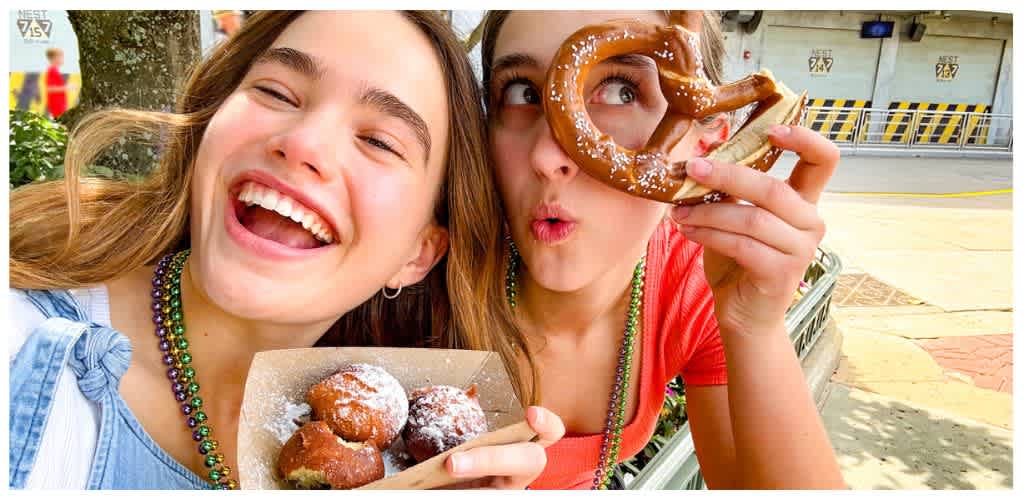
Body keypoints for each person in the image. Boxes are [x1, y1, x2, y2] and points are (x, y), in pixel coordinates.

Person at [9, 11, 562, 490]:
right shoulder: (25, 347)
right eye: (276, 93)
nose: (303, 143)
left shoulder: (386, 448)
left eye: (378, 141)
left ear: (418, 254)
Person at [476, 10, 846, 489]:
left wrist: (756, 328)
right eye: (522, 92)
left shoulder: (700, 281)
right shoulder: (418, 267)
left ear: (705, 140)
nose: (547, 158)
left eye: (620, 92)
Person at [44, 47, 68, 119]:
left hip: (59, 107)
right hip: (56, 108)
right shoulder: (52, 71)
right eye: (61, 57)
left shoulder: (55, 71)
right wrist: (67, 87)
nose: (62, 59)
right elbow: (50, 88)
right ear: (54, 58)